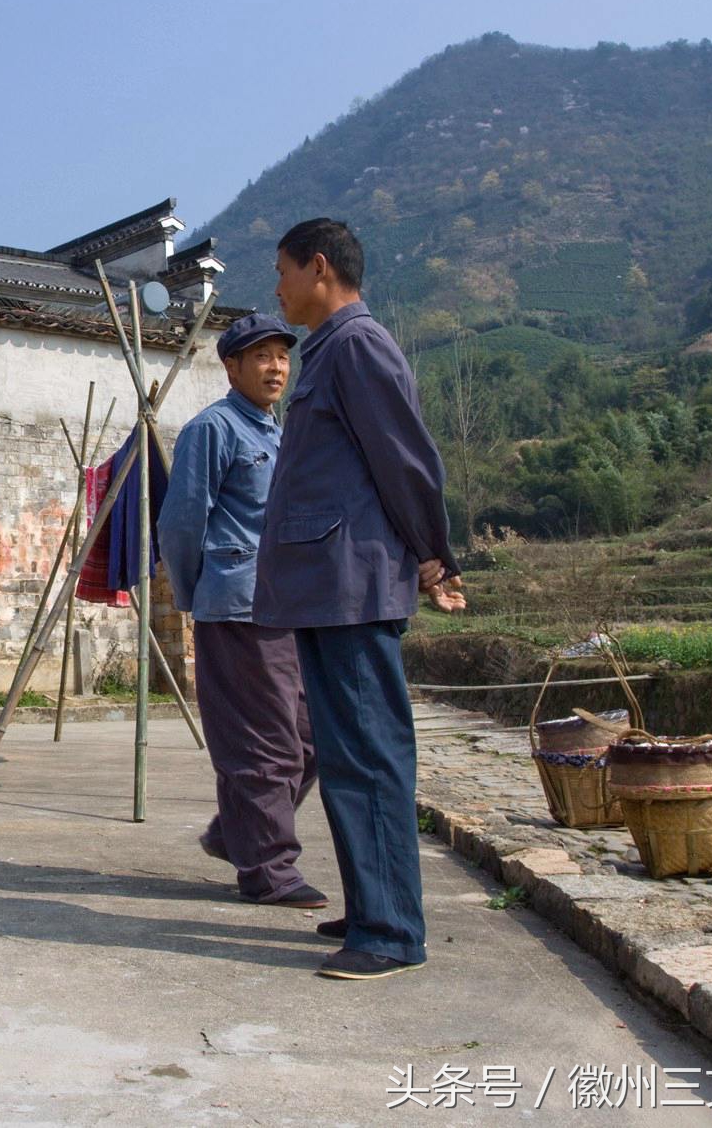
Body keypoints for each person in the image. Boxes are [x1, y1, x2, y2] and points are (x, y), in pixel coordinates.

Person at [254, 218, 467, 982]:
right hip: (326, 587)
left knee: (370, 755)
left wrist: (435, 555)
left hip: (353, 585)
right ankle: (371, 904)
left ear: (319, 268)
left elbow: (408, 462)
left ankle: (390, 930)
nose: (275, 288)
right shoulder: (331, 349)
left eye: (282, 271)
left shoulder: (359, 345)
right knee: (347, 755)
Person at [159, 312, 323, 910]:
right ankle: (268, 871)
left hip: (288, 608)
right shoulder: (213, 429)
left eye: (282, 355)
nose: (275, 367)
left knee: (314, 739)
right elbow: (180, 524)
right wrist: (198, 595)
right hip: (238, 608)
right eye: (260, 357)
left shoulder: (279, 432)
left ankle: (235, 835)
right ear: (231, 367)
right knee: (268, 744)